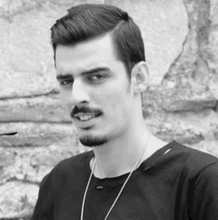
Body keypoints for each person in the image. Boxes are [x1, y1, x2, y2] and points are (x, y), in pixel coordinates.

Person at [32, 4, 218, 220]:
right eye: (66, 81)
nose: (76, 96)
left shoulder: (199, 182)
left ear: (138, 78)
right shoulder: (59, 182)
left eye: (96, 77)